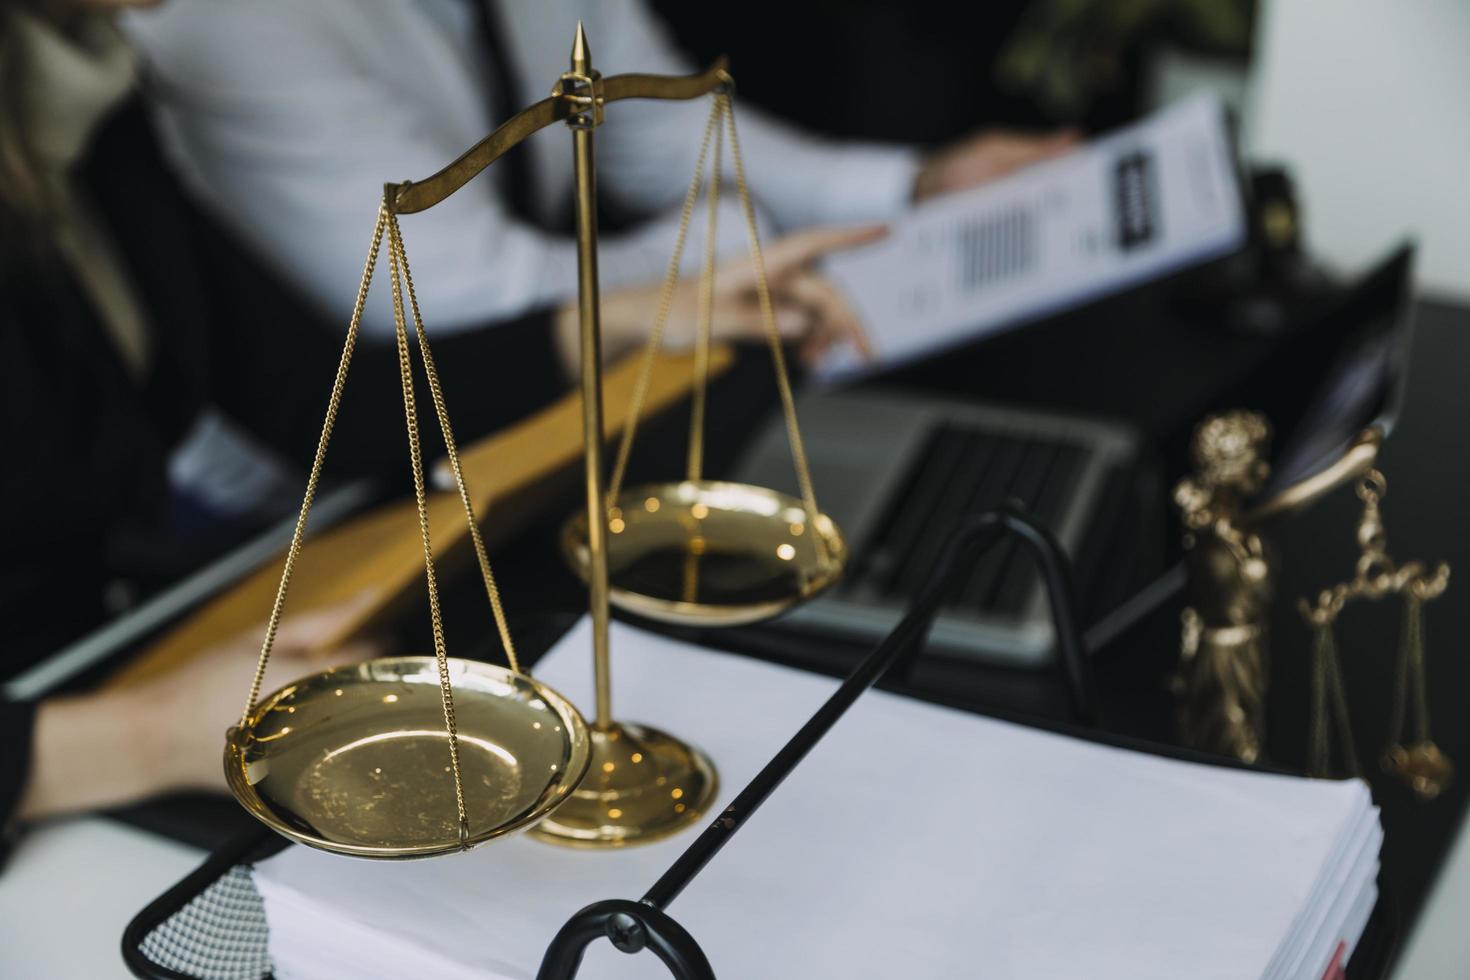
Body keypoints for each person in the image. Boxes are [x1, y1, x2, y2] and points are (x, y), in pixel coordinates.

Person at [0, 0, 886, 845]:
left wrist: (618, 320)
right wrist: (147, 736)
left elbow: (303, 392)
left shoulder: (81, 102)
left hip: (112, 666)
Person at [121, 0, 1077, 352]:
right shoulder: (227, 21)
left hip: (541, 386)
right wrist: (718, 241)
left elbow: (666, 134)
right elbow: (446, 302)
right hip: (316, 496)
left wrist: (915, 186)